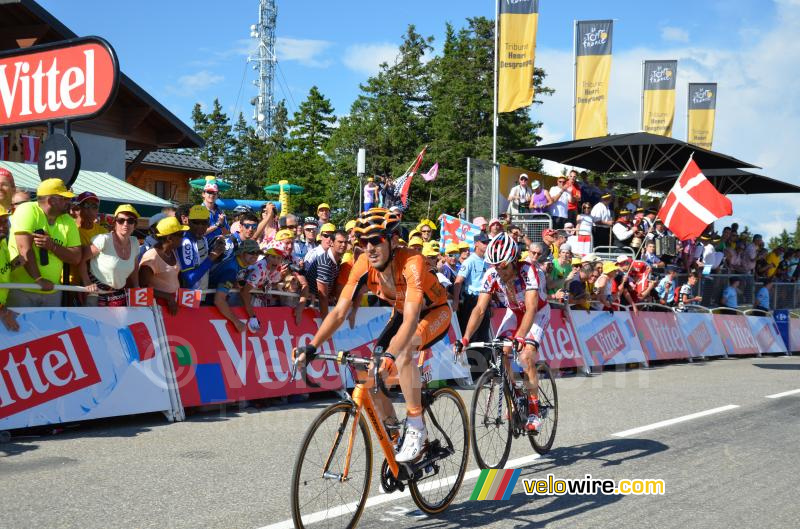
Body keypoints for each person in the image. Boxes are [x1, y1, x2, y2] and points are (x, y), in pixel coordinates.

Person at [293, 208, 451, 462]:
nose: (369, 248)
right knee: (370, 375)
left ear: (394, 240)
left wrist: (391, 355)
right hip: (402, 312)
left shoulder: (412, 262)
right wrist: (311, 346)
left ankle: (416, 425)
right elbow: (338, 313)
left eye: (376, 240)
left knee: (403, 351)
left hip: (433, 312)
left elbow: (411, 320)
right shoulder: (364, 265)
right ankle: (397, 439)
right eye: (363, 242)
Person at [456, 232, 547, 433]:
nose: (499, 270)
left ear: (514, 260)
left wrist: (521, 337)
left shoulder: (528, 271)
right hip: (514, 312)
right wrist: (465, 338)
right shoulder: (491, 275)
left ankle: (534, 410)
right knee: (500, 351)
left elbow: (531, 308)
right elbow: (479, 309)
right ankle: (515, 395)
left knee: (526, 355)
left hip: (538, 312)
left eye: (503, 265)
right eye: (494, 265)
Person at [7, 179, 82, 307]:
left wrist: (52, 246)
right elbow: (24, 249)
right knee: (18, 328)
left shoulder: (68, 220)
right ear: (51, 201)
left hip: (52, 291)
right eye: (64, 198)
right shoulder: (27, 209)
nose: (69, 202)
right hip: (20, 289)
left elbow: (76, 257)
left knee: (52, 328)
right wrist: (38, 279)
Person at [84, 205, 141, 306]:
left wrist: (136, 286)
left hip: (119, 295)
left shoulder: (135, 242)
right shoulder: (104, 239)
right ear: (114, 223)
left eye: (130, 221)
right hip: (96, 293)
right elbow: (81, 259)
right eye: (121, 220)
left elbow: (135, 267)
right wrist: (87, 282)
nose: (126, 224)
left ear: (135, 225)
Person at [208, 239, 263, 333]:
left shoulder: (241, 262)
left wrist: (234, 284)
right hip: (208, 306)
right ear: (242, 253)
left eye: (257, 253)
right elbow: (219, 300)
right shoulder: (231, 270)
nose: (255, 256)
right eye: (251, 252)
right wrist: (236, 322)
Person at [139, 217, 187, 315]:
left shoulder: (173, 252)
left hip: (170, 305)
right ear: (169, 238)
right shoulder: (151, 257)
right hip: (155, 309)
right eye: (181, 235)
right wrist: (168, 297)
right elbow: (141, 288)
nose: (183, 237)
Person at [69, 192, 108, 302]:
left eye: (94, 206)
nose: (91, 210)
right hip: (69, 283)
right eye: (86, 206)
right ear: (77, 209)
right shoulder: (69, 227)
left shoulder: (103, 232)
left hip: (93, 286)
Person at [179, 205, 226, 295]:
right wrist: (212, 256)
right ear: (188, 221)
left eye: (204, 223)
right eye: (196, 222)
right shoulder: (186, 242)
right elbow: (190, 279)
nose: (200, 226)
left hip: (201, 294)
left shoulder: (202, 238)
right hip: (188, 297)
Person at [453, 232, 490, 338]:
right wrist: (456, 300)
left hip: (485, 300)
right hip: (472, 301)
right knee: (471, 335)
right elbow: (458, 282)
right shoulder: (469, 261)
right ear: (476, 244)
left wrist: (491, 303)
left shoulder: (487, 261)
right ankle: (470, 354)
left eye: (488, 242)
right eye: (484, 242)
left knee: (483, 335)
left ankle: (482, 355)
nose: (487, 245)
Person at [305, 229, 347, 318]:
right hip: (312, 307)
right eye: (340, 242)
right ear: (331, 243)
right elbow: (323, 296)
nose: (343, 245)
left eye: (346, 242)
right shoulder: (325, 263)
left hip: (319, 305)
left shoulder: (336, 260)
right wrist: (326, 322)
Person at [0, 205, 20, 331]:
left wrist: (16, 263)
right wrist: (2, 312)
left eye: (5, 221)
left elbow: (5, 269)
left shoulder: (2, 242)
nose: (5, 225)